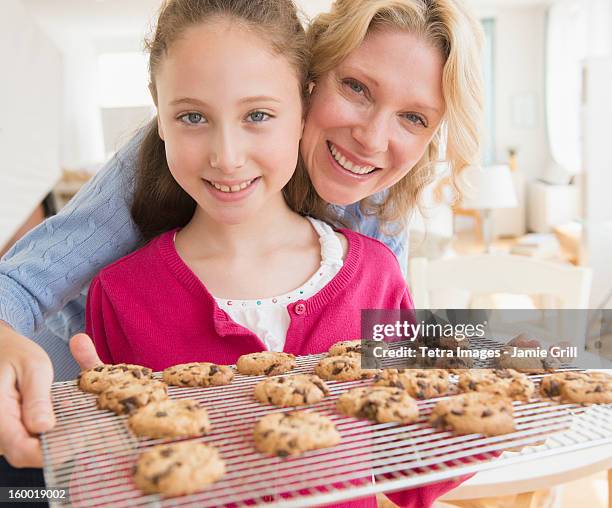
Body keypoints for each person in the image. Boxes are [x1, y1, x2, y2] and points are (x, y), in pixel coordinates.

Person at [0, 0, 488, 471]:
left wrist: (537, 354)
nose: (372, 138)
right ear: (310, 82)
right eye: (357, 87)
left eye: (414, 117)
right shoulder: (173, 155)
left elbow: (386, 389)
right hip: (53, 413)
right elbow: (21, 285)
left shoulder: (381, 217)